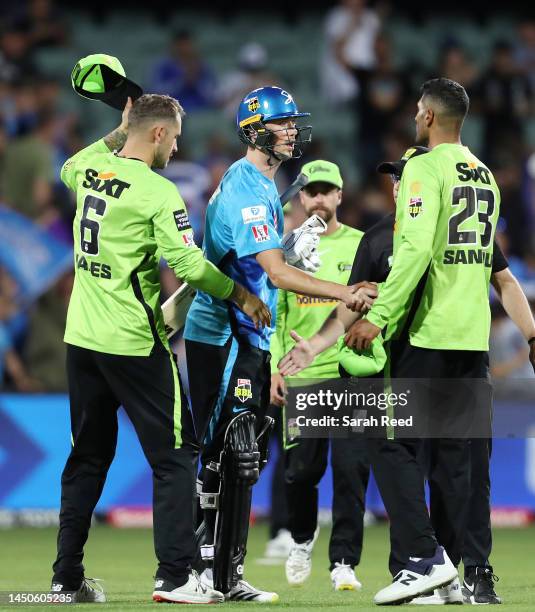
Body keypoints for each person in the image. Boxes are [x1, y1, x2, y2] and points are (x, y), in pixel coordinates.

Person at [283, 78, 504, 605]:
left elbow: (416, 250)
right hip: (473, 334)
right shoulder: (486, 175)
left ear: (426, 115)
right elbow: (492, 266)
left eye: (416, 111)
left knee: (391, 442)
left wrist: (379, 316)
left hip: (429, 330)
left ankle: (423, 561)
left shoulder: (426, 169)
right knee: (456, 461)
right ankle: (459, 577)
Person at [50, 93, 271, 604]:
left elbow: (68, 165)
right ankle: (175, 576)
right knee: (176, 456)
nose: (177, 144)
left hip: (82, 341)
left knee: (86, 458)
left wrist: (119, 130)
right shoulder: (157, 192)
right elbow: (191, 267)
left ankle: (65, 579)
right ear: (156, 134)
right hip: (133, 342)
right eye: (173, 135)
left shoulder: (89, 171)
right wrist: (241, 293)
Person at [183, 85, 375, 602]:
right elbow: (273, 274)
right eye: (282, 123)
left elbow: (262, 259)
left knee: (238, 451)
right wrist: (343, 290)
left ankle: (224, 574)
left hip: (245, 333)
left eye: (293, 121)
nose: (292, 130)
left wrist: (287, 249)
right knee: (222, 452)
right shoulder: (249, 187)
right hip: (223, 334)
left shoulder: (264, 182)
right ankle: (196, 570)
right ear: (254, 130)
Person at [269, 159, 369, 591]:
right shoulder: (282, 251)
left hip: (349, 374)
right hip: (302, 377)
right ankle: (302, 540)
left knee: (351, 472)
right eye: (311, 192)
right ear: (300, 197)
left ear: (340, 196)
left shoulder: (363, 245)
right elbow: (273, 315)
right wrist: (276, 366)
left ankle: (344, 561)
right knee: (300, 473)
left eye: (327, 191)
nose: (319, 199)